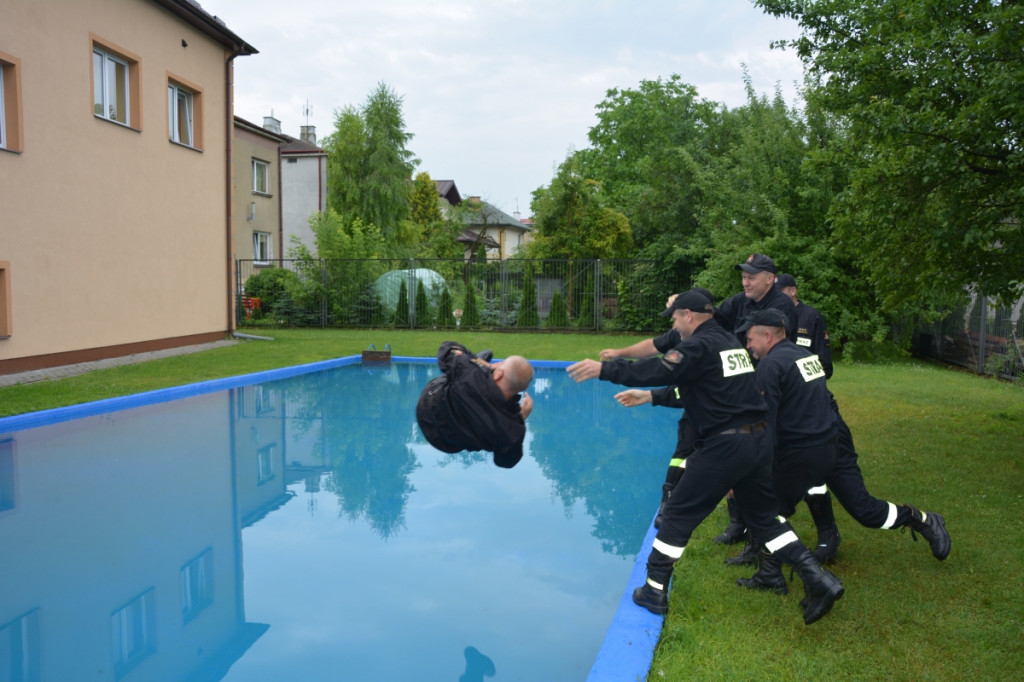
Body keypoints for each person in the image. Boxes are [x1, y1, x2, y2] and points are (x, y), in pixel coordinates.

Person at [567, 290, 844, 626]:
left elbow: (662, 370)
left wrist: (605, 369)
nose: (672, 324)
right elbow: (703, 387)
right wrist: (651, 398)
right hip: (756, 442)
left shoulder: (698, 345)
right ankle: (819, 579)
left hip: (726, 446)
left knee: (677, 513)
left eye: (674, 316)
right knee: (765, 518)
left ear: (688, 315)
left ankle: (654, 590)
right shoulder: (729, 343)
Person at [776, 274, 952, 564]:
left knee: (865, 511)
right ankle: (821, 539)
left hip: (828, 435)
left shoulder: (796, 352)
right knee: (792, 490)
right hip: (806, 440)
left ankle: (921, 518)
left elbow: (824, 369)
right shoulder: (773, 362)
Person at [732, 309, 837, 594]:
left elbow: (766, 424)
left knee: (766, 511)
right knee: (771, 508)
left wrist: (752, 466)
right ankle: (766, 567)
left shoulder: (770, 366)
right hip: (825, 447)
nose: (748, 345)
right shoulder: (805, 356)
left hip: (799, 451)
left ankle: (789, 576)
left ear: (767, 336)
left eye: (750, 338)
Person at [416, 341, 534, 469]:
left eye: (501, 364)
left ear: (499, 374)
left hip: (426, 410)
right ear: (525, 388)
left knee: (455, 372)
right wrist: (520, 418)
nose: (497, 365)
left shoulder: (470, 373)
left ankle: (477, 363)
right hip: (447, 444)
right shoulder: (513, 430)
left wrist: (480, 364)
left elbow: (447, 349)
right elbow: (505, 461)